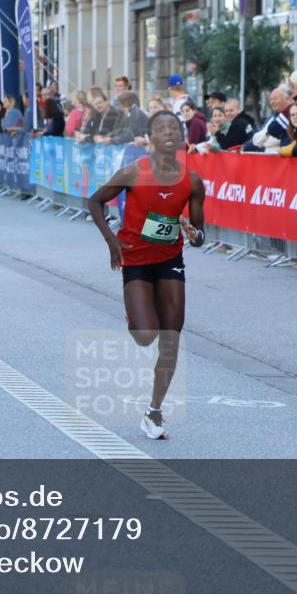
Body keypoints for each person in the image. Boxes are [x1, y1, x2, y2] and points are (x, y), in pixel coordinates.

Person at [87, 111, 207, 439]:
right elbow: (94, 201)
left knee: (171, 338)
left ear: (182, 137)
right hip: (136, 259)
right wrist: (112, 242)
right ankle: (137, 314)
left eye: (174, 129)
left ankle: (154, 412)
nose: (168, 133)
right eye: (161, 129)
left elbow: (200, 234)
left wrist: (193, 234)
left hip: (170, 260)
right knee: (145, 335)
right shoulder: (133, 172)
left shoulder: (192, 181)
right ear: (150, 138)